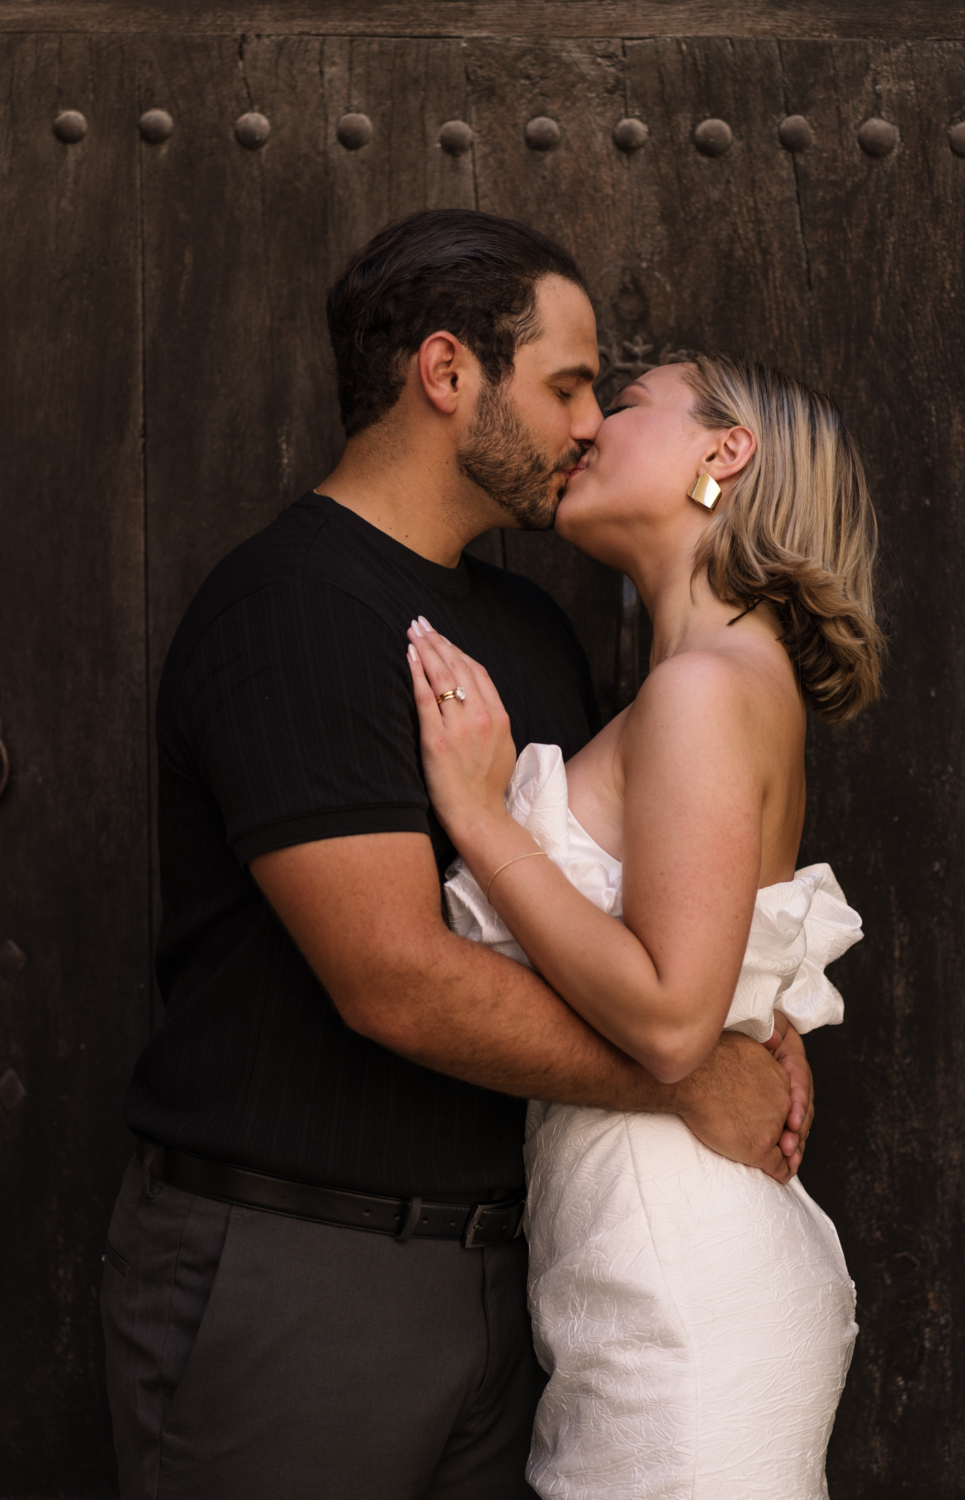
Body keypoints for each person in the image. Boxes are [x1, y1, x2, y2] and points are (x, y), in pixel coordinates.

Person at [101, 211, 815, 1500]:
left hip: (519, 1284)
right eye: (564, 385)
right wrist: (687, 1071)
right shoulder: (293, 608)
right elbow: (394, 974)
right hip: (303, 1264)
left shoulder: (532, 631)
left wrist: (748, 1001)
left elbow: (630, 900)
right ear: (445, 375)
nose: (589, 422)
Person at [405, 352, 882, 1499]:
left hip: (685, 1297)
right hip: (649, 1266)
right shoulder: (712, 680)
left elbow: (672, 1024)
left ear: (725, 454)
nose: (586, 426)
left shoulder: (707, 688)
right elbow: (710, 966)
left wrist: (480, 817)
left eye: (623, 404)